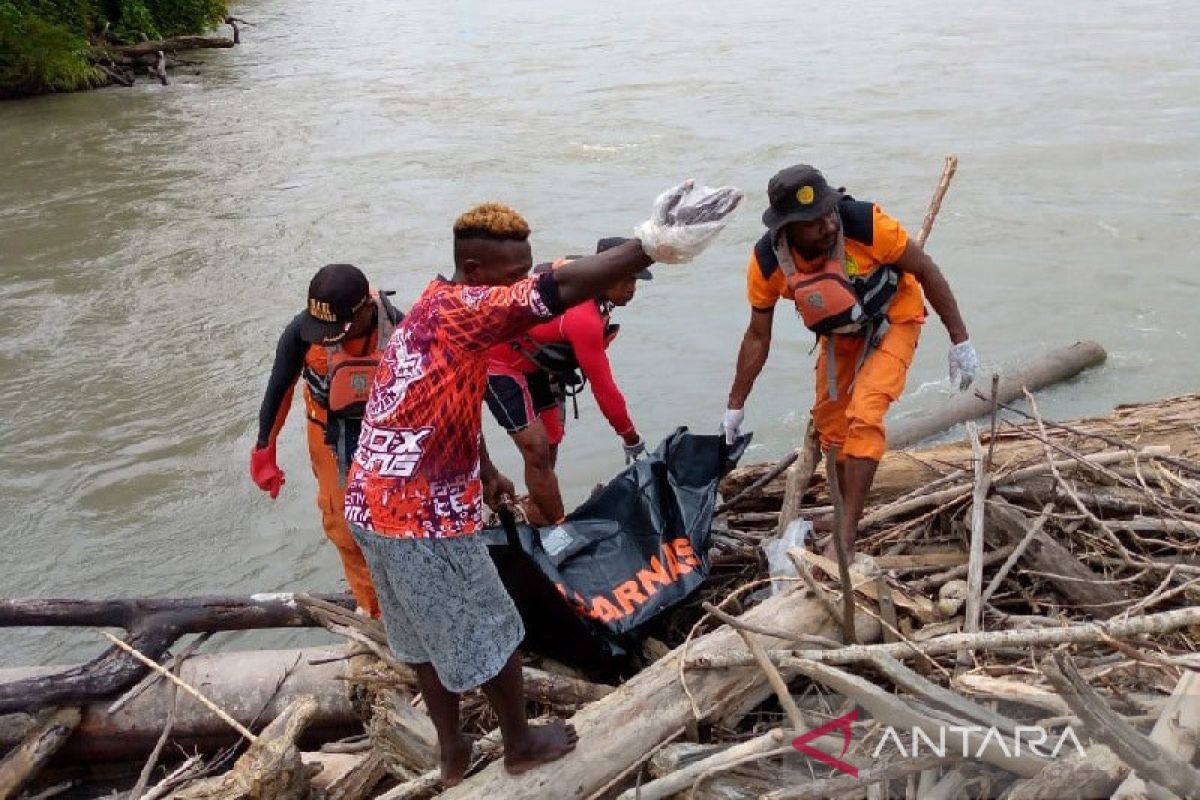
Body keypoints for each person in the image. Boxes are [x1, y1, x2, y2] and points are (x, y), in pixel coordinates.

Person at [344, 183, 741, 784]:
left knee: (421, 638)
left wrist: (485, 470)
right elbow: (556, 287)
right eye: (510, 276)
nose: (518, 286)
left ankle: (453, 757)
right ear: (475, 268)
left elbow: (447, 392)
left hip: (370, 501)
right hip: (418, 515)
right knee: (498, 627)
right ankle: (520, 744)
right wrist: (654, 245)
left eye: (522, 272)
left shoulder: (437, 301)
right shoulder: (474, 309)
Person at [720, 164, 977, 559]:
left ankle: (846, 536)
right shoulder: (768, 263)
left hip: (895, 317)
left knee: (865, 414)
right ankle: (844, 511)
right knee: (831, 429)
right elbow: (757, 335)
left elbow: (924, 269)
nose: (827, 225)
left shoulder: (864, 224)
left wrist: (960, 339)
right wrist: (735, 405)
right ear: (787, 228)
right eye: (812, 221)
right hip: (840, 337)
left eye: (828, 211)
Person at [249, 263, 404, 618]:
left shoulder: (402, 330)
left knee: (396, 529)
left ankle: (408, 605)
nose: (325, 336)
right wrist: (264, 449)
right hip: (328, 438)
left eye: (336, 329)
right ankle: (376, 612)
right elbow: (279, 386)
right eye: (321, 329)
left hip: (391, 440)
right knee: (345, 530)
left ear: (367, 308)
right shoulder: (301, 332)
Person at [485, 236, 652, 525]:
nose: (631, 289)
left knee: (551, 440)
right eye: (626, 280)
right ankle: (557, 527)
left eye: (636, 282)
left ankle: (539, 510)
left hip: (535, 367)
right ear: (604, 274)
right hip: (498, 364)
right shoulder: (581, 317)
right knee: (536, 449)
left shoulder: (591, 291)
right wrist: (630, 437)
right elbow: (604, 387)